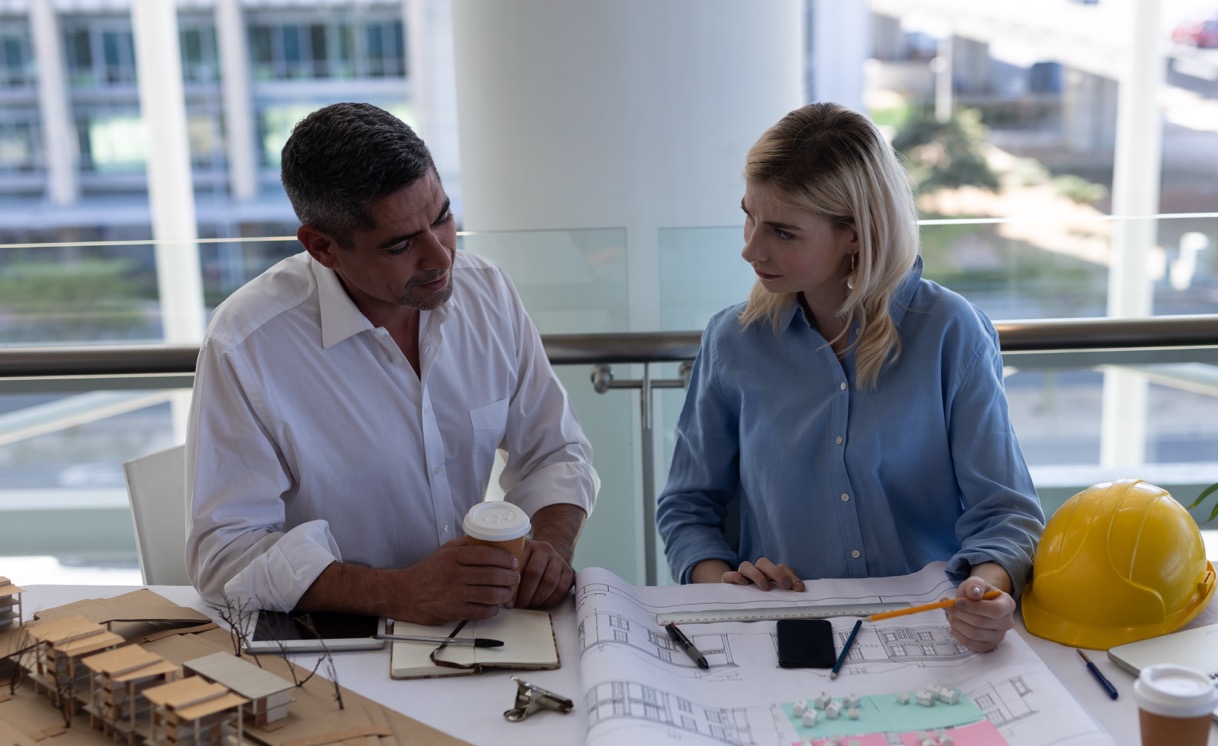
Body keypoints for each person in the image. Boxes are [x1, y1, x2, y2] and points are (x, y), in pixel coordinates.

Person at [186, 102, 599, 625]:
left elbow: (556, 452)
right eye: (401, 244)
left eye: (443, 217)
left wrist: (551, 546)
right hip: (342, 649)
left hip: (487, 627)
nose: (441, 258)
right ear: (322, 248)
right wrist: (394, 593)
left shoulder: (487, 292)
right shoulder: (246, 343)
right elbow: (224, 554)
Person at [656, 102, 1043, 652]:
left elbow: (1007, 513)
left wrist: (987, 591)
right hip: (784, 638)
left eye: (783, 232)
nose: (750, 248)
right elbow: (687, 508)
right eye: (749, 216)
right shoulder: (733, 341)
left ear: (857, 235)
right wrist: (724, 585)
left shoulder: (951, 334)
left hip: (932, 633)